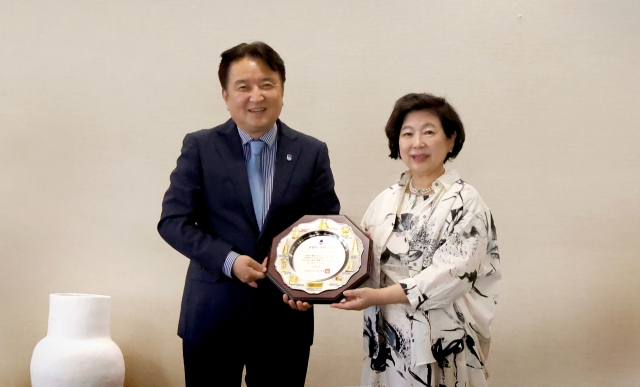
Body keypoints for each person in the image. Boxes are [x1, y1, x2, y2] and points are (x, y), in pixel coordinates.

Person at [158, 41, 340, 387]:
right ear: (226, 95)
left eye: (267, 84)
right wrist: (229, 260)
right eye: (243, 87)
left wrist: (309, 288)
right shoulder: (200, 147)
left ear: (282, 90)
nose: (256, 96)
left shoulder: (312, 152)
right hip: (213, 314)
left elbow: (325, 230)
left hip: (285, 318)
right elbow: (173, 222)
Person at [331, 93, 500, 386]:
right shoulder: (384, 201)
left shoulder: (466, 201)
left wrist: (378, 296)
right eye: (407, 133)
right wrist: (312, 288)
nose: (417, 143)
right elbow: (357, 263)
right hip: (386, 341)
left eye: (429, 132)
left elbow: (449, 277)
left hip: (441, 342)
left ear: (451, 140)